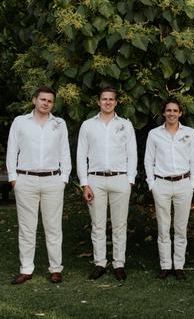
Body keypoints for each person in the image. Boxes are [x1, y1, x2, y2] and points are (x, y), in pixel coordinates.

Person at [6, 86, 71, 285]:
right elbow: (11, 150)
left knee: (53, 227)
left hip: (53, 180)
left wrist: (64, 179)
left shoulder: (59, 124)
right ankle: (26, 269)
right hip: (25, 180)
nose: (46, 103)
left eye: (50, 101)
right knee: (27, 227)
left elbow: (64, 153)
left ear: (53, 104)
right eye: (43, 99)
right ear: (34, 100)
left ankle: (55, 269)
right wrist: (13, 178)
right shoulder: (20, 122)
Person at [77, 87, 137, 281]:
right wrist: (84, 183)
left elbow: (132, 154)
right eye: (104, 99)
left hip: (120, 178)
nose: (108, 102)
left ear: (116, 102)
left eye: (111, 99)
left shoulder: (125, 125)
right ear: (98, 102)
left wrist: (129, 180)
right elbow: (81, 155)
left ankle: (119, 263)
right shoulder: (88, 125)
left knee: (120, 225)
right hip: (95, 180)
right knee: (98, 224)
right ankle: (100, 263)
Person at [144, 100, 194, 281]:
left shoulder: (189, 133)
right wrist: (152, 183)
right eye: (168, 110)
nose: (172, 113)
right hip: (162, 184)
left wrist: (192, 183)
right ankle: (165, 266)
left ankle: (179, 266)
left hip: (183, 183)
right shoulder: (154, 134)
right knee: (163, 227)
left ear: (180, 113)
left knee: (181, 228)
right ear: (163, 113)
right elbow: (148, 160)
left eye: (175, 110)